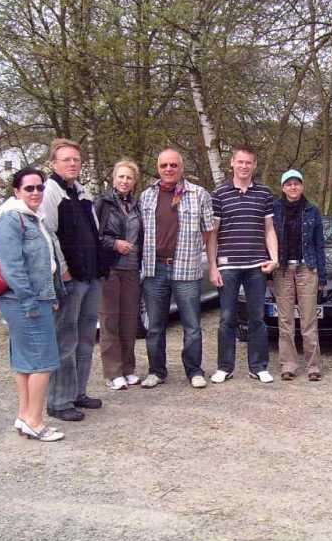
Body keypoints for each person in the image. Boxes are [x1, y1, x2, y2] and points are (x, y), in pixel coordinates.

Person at [0, 167, 64, 442]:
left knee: (25, 362)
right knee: (43, 362)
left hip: (36, 297)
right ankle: (36, 421)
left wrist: (51, 296)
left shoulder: (33, 217)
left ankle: (25, 416)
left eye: (39, 187)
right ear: (17, 191)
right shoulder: (12, 218)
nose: (36, 192)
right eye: (29, 188)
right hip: (24, 300)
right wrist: (30, 302)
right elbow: (12, 267)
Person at [41, 138, 105, 421]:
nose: (72, 163)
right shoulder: (50, 192)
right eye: (66, 159)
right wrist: (63, 271)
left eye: (76, 159)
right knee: (65, 341)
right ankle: (59, 400)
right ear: (53, 163)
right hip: (70, 279)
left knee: (86, 339)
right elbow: (48, 235)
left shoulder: (81, 192)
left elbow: (95, 232)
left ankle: (78, 392)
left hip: (91, 277)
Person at [138, 148, 214, 389]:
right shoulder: (146, 196)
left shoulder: (199, 194)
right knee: (155, 326)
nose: (169, 169)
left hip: (187, 270)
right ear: (158, 168)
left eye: (173, 165)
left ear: (181, 167)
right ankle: (156, 371)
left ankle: (194, 371)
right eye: (164, 165)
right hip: (154, 270)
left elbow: (208, 231)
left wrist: (196, 253)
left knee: (192, 326)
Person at [208, 145, 278, 384]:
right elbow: (213, 234)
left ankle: (258, 367)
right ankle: (224, 367)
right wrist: (213, 266)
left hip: (256, 265)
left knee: (257, 318)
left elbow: (269, 229)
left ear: (254, 165)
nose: (244, 166)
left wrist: (274, 258)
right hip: (227, 266)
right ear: (232, 163)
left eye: (249, 162)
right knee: (227, 318)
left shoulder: (265, 193)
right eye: (240, 162)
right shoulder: (219, 194)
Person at [271, 169, 327, 381]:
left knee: (309, 320)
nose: (293, 187)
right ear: (283, 187)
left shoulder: (312, 210)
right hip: (282, 269)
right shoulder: (274, 209)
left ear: (302, 186)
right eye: (289, 184)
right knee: (285, 320)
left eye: (296, 183)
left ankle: (314, 366)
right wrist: (268, 274)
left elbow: (319, 244)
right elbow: (268, 240)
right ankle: (288, 364)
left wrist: (322, 276)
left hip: (307, 267)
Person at [94, 158, 143, 391]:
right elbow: (94, 236)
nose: (124, 181)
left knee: (129, 321)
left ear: (134, 182)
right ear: (114, 179)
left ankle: (128, 369)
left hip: (132, 268)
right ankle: (113, 373)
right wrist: (114, 244)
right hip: (110, 267)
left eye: (129, 177)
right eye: (121, 176)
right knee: (110, 320)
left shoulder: (137, 205)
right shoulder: (102, 203)